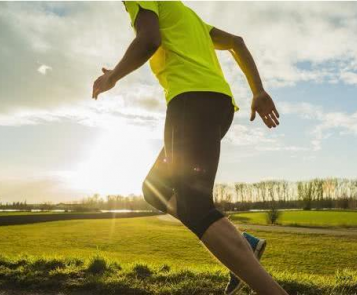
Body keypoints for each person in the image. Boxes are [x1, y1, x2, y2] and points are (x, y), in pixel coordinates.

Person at [92, 2, 287, 294]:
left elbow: (148, 40)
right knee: (155, 188)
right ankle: (243, 247)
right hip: (218, 106)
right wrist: (257, 90)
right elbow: (237, 43)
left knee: (193, 206)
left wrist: (112, 77)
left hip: (191, 101)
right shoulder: (186, 15)